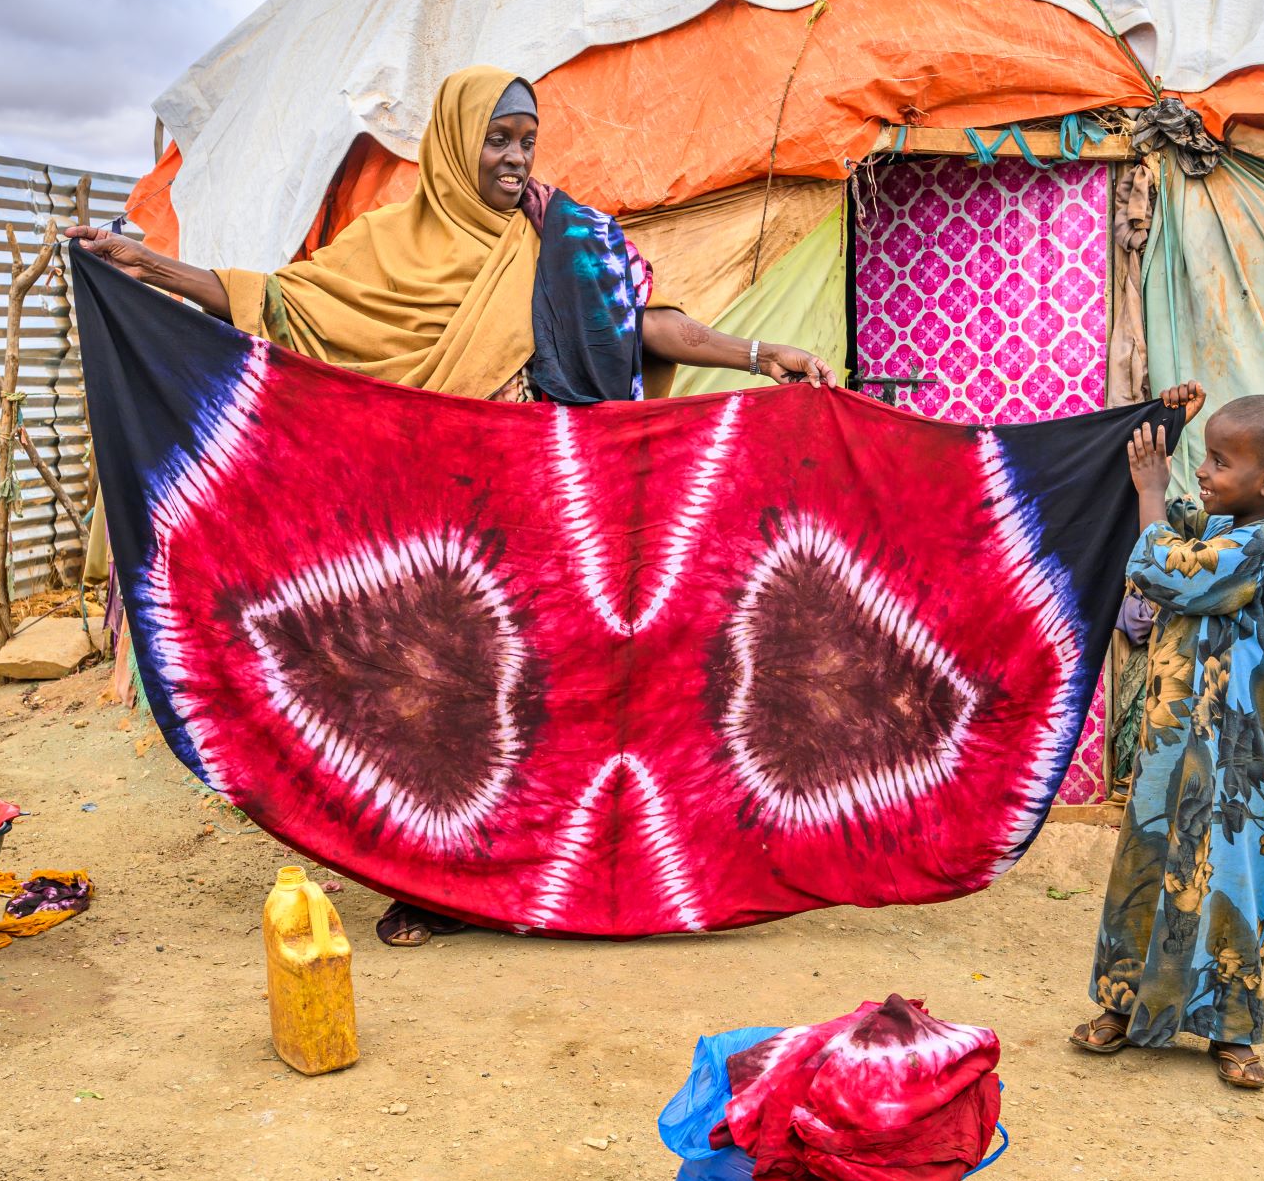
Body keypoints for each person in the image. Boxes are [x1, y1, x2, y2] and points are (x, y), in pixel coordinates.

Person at [67, 64, 833, 946]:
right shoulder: (389, 246)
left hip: (542, 510)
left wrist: (757, 350)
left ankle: (553, 871)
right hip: (433, 519)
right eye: (497, 139)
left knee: (542, 697)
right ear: (453, 143)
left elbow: (649, 324)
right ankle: (432, 881)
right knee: (432, 699)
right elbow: (280, 306)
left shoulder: (567, 236)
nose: (515, 159)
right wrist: (149, 267)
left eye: (526, 140)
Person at [1068, 393, 1264, 1090]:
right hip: (1170, 740)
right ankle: (1124, 1005)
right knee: (1145, 864)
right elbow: (1174, 517)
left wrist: (1152, 489)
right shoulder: (1221, 521)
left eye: (1220, 461)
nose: (1202, 472)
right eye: (1204, 457)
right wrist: (1163, 427)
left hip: (1235, 756)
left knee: (1231, 885)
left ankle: (1231, 1027)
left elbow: (1162, 569)